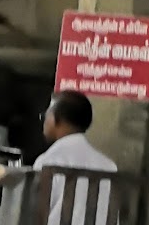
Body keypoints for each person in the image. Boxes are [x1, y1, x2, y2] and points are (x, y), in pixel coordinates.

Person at [35, 91, 117, 225]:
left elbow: (34, 213)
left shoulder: (47, 162)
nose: (44, 121)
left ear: (56, 119)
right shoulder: (109, 166)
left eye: (46, 116)